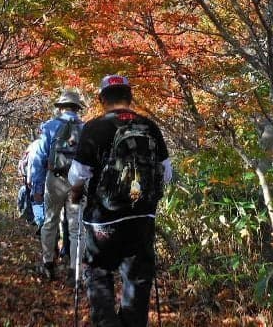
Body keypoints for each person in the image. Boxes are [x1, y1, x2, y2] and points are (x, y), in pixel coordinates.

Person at [68, 74, 172, 327]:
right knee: (137, 278)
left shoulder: (93, 128)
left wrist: (76, 195)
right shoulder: (149, 127)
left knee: (98, 272)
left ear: (102, 99)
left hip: (103, 220)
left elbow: (77, 175)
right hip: (142, 217)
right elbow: (166, 174)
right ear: (130, 96)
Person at [29, 87, 86, 280]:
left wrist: (37, 188)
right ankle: (74, 271)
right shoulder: (85, 129)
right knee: (76, 226)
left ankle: (48, 264)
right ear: (77, 108)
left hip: (54, 180)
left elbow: (39, 159)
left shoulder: (49, 126)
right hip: (77, 182)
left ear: (61, 107)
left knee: (50, 221)